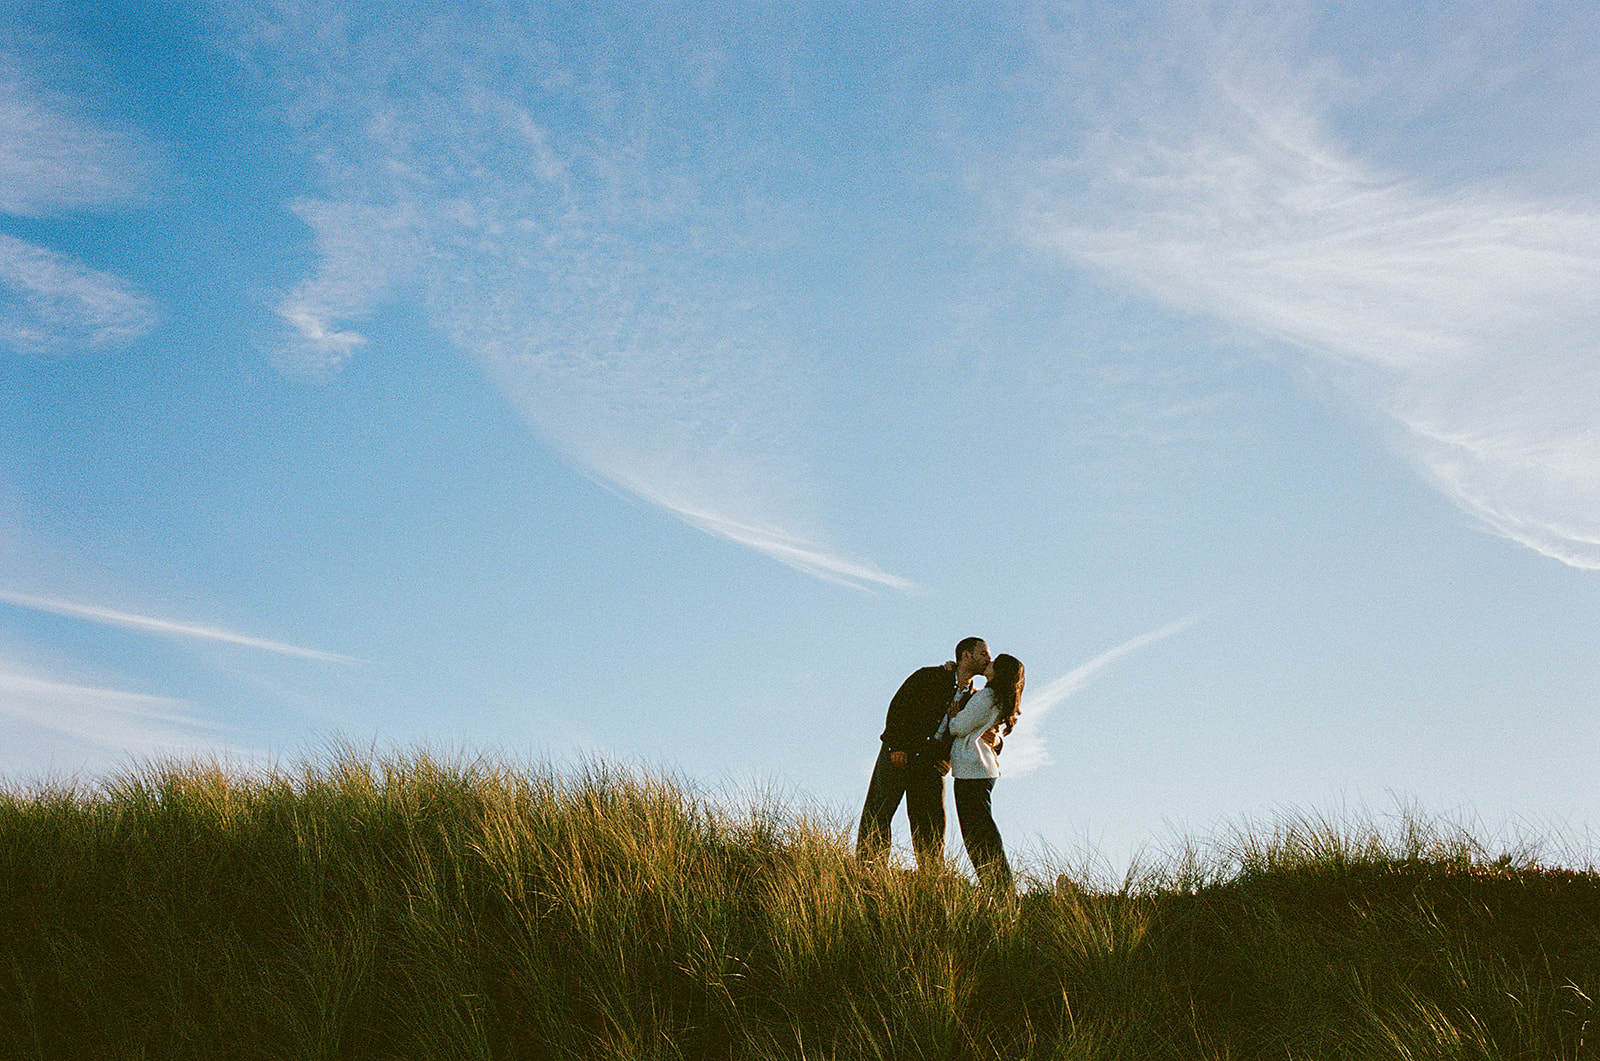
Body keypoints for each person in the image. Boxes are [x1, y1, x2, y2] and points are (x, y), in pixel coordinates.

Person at [856, 637, 990, 870]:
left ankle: (931, 878)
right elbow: (899, 706)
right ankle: (867, 871)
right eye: (983, 653)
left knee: (931, 825)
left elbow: (986, 731)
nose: (989, 658)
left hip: (931, 766)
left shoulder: (974, 700)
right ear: (966, 655)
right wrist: (897, 745)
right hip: (899, 754)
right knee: (878, 812)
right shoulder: (929, 677)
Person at [946, 652, 1023, 892]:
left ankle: (997, 887)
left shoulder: (986, 697)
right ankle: (997, 885)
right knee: (983, 830)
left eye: (992, 664)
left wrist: (954, 714)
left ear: (999, 672)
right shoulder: (999, 699)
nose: (988, 664)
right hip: (982, 770)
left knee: (977, 833)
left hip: (972, 770)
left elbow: (958, 727)